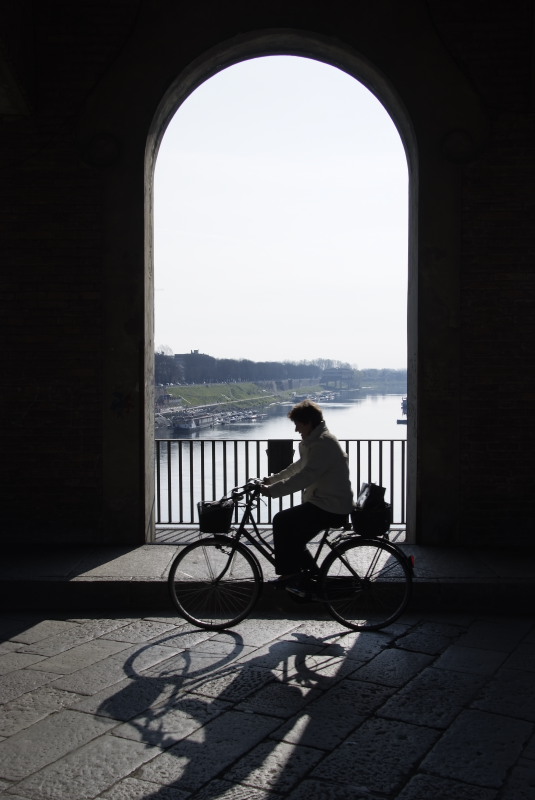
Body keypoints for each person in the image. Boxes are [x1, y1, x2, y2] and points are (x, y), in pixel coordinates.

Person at [260, 399, 353, 597]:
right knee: (294, 537)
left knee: (282, 521)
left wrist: (273, 491)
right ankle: (312, 580)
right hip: (325, 502)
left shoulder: (322, 445)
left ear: (308, 423)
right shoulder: (316, 441)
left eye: (298, 425)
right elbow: (298, 467)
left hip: (330, 505)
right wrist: (271, 480)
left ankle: (290, 574)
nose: (296, 430)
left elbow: (305, 476)